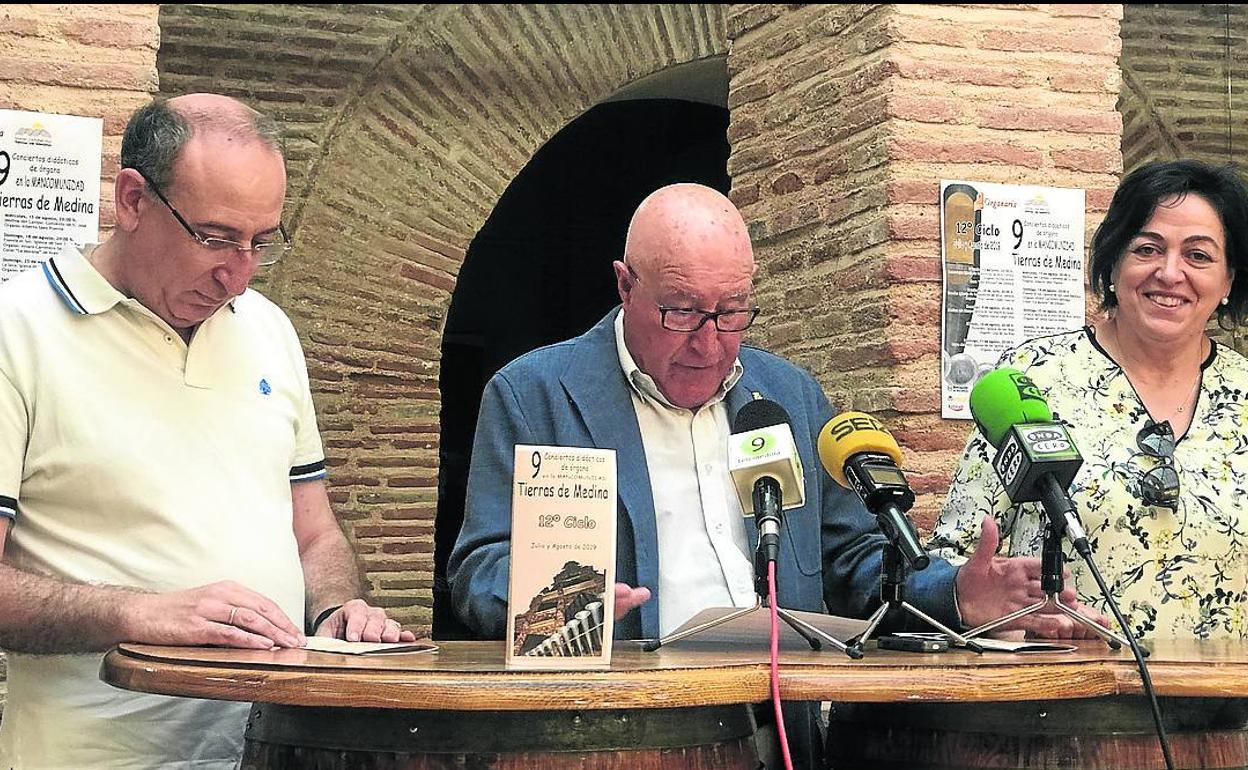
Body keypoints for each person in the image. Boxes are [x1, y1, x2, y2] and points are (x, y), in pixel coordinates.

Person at [448, 182, 1096, 769]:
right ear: (625, 285)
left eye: (731, 312)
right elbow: (479, 570)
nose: (708, 342)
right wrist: (568, 599)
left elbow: (851, 561)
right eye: (680, 310)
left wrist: (957, 595)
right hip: (615, 736)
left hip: (777, 731)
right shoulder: (536, 395)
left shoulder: (787, 394)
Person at [0, 94, 414, 769]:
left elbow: (313, 532)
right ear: (132, 199)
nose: (239, 274)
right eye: (215, 237)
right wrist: (135, 615)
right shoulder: (15, 331)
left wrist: (337, 607)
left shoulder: (269, 331)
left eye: (261, 242)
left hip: (268, 749)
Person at [936, 159, 1248, 640]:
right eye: (1147, 248)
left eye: (1199, 256)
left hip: (1225, 706)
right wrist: (996, 612)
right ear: (1114, 261)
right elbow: (957, 557)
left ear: (1228, 281)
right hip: (1057, 698)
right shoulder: (1032, 378)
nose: (1170, 273)